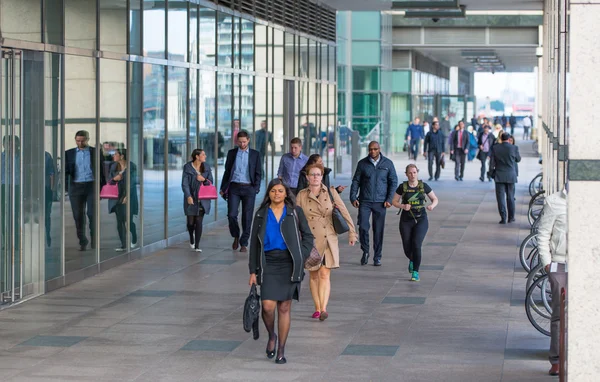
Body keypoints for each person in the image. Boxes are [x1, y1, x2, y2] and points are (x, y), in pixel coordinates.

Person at [248, 179, 314, 364]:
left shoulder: (294, 212)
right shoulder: (261, 214)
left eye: (280, 191)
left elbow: (308, 236)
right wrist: (252, 271)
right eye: (273, 191)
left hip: (289, 263)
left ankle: (281, 350)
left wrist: (301, 254)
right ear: (268, 193)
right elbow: (254, 243)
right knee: (267, 306)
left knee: (284, 307)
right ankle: (271, 336)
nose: (277, 194)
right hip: (268, 263)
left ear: (286, 193)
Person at [296, 163, 357, 321]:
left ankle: (323, 308)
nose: (315, 177)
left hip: (329, 237)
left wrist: (352, 232)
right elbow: (294, 218)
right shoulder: (302, 195)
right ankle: (316, 307)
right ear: (307, 177)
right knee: (314, 274)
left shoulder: (330, 193)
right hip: (310, 239)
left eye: (318, 174)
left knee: (324, 273)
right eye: (312, 174)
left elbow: (343, 211)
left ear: (322, 176)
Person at [349, 141, 398, 266]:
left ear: (379, 149)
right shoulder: (362, 164)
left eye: (375, 149)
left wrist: (389, 199)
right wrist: (353, 197)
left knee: (378, 230)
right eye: (370, 149)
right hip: (365, 201)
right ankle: (365, 251)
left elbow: (393, 182)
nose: (372, 152)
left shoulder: (387, 164)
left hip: (381, 202)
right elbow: (356, 181)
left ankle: (377, 257)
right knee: (363, 227)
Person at [537, 187, 567, 376]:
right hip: (560, 263)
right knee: (559, 313)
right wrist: (547, 263)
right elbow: (543, 234)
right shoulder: (554, 201)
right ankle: (556, 359)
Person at [392, 164, 438, 282]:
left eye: (414, 172)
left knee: (416, 244)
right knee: (407, 246)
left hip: (421, 219)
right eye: (410, 173)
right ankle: (412, 259)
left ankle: (415, 271)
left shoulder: (423, 186)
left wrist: (432, 206)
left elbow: (435, 199)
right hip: (406, 220)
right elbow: (394, 201)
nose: (412, 175)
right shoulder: (402, 187)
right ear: (406, 174)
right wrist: (403, 205)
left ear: (417, 173)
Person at [220, 130, 262, 253]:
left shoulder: (255, 154)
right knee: (232, 214)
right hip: (234, 187)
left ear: (248, 140)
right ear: (237, 141)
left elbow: (259, 172)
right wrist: (223, 188)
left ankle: (244, 243)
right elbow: (227, 171)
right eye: (240, 142)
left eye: (244, 142)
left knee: (247, 217)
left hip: (249, 188)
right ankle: (236, 235)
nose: (242, 144)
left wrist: (256, 188)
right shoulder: (232, 153)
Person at [65, 130, 104, 251]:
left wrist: (101, 188)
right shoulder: (69, 153)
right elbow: (65, 172)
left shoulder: (95, 152)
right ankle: (82, 240)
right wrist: (67, 188)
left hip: (91, 186)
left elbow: (102, 171)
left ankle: (94, 241)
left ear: (87, 139)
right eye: (77, 140)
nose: (80, 143)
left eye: (82, 140)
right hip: (76, 188)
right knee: (78, 216)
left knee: (92, 214)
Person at [182, 149, 213, 252]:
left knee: (199, 221)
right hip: (191, 198)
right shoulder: (187, 167)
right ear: (197, 156)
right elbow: (184, 183)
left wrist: (203, 180)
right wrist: (188, 196)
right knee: (191, 223)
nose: (205, 156)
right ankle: (191, 236)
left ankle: (197, 245)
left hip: (203, 198)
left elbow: (211, 182)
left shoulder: (207, 167)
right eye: (203, 154)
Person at [108, 148, 139, 251]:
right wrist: (114, 179)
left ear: (122, 156)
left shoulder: (132, 166)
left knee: (128, 221)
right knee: (120, 221)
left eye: (115, 154)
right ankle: (124, 244)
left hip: (128, 196)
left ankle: (134, 236)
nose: (113, 156)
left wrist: (127, 196)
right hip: (117, 197)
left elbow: (133, 182)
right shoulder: (113, 166)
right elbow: (109, 181)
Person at [489, 132, 521, 224]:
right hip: (511, 175)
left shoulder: (496, 148)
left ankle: (503, 218)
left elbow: (492, 163)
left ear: (501, 138)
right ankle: (511, 217)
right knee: (510, 197)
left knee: (500, 198)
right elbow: (518, 159)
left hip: (499, 175)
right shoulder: (514, 148)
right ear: (508, 139)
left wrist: (492, 174)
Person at [45, 151, 55, 247]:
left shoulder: (47, 156)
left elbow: (51, 173)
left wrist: (51, 189)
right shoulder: (26, 154)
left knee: (46, 214)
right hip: (30, 189)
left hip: (45, 188)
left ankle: (47, 235)